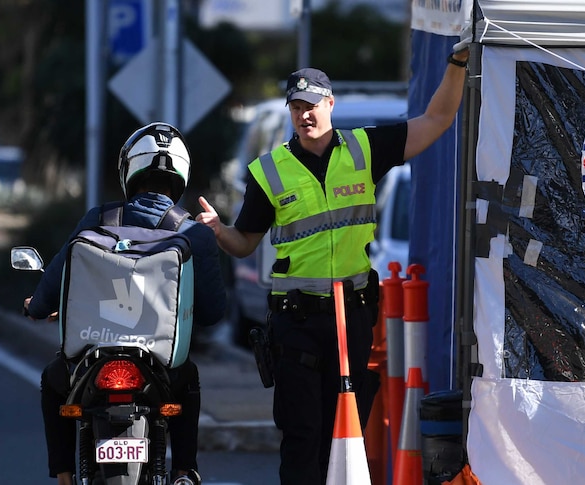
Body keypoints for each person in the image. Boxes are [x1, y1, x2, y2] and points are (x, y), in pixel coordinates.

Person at [195, 46, 470, 484]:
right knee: (302, 437)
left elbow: (436, 120)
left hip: (353, 319)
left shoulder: (365, 149)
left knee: (347, 438)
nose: (305, 115)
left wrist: (456, 66)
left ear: (330, 105)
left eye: (312, 105)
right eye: (297, 107)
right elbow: (245, 242)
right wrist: (217, 230)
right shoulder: (270, 172)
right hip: (296, 322)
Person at [24, 122, 226, 485]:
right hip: (160, 368)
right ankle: (183, 471)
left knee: (53, 380)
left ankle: (65, 476)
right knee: (189, 379)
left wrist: (36, 307)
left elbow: (57, 276)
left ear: (130, 170)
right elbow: (212, 314)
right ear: (181, 174)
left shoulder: (97, 220)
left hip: (94, 364)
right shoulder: (195, 233)